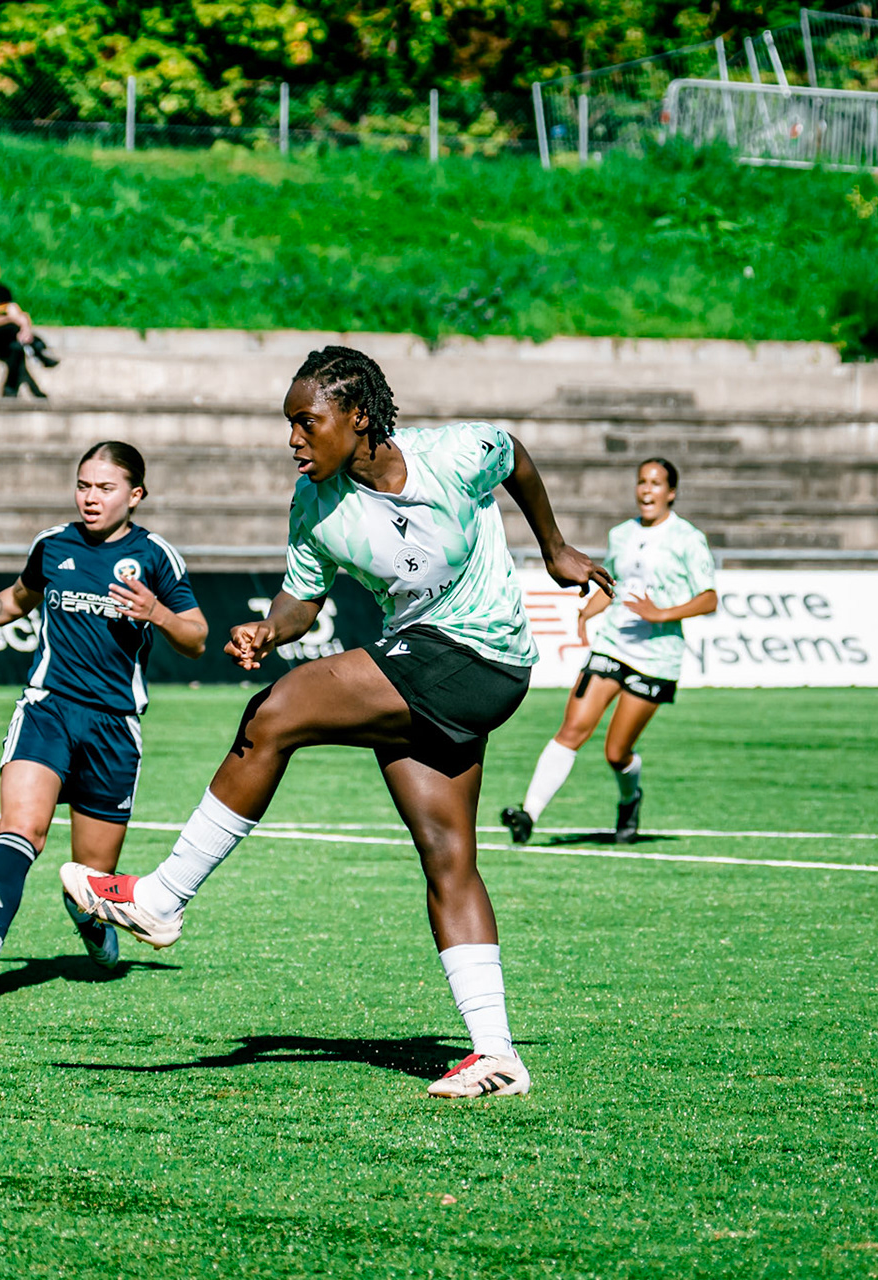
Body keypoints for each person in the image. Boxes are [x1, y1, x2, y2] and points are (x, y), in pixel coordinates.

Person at [59, 346, 611, 1098]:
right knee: (448, 858)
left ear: (358, 419)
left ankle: (163, 897)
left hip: (481, 656)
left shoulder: (454, 452)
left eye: (306, 422)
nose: (293, 439)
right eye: (289, 423)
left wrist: (554, 547)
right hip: (425, 671)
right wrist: (270, 631)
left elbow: (514, 455)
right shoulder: (314, 503)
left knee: (276, 713)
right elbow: (303, 597)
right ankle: (497, 1054)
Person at [0, 441, 207, 1000]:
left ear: (135, 495)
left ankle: (95, 933)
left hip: (114, 728)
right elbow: (18, 599)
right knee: (21, 831)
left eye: (105, 488)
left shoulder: (156, 557)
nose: (90, 498)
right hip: (46, 708)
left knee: (89, 883)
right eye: (83, 485)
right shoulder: (53, 545)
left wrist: (159, 614)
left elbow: (196, 638)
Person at [502, 458, 716, 845]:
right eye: (641, 482)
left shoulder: (687, 538)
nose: (647, 490)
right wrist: (589, 610)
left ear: (671, 493)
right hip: (612, 644)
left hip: (656, 656)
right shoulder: (621, 534)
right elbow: (613, 585)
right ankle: (528, 813)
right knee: (572, 729)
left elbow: (709, 599)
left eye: (656, 483)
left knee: (616, 753)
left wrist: (662, 613)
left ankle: (630, 798)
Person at [0, 253, 59, 399]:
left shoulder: (3, 291)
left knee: (17, 347)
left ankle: (10, 389)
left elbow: (18, 313)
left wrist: (25, 328)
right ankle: (37, 348)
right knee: (13, 331)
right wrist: (11, 320)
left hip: (7, 337)